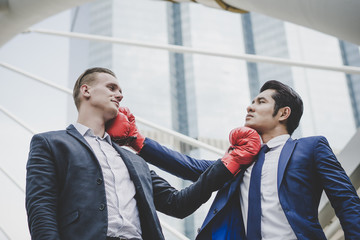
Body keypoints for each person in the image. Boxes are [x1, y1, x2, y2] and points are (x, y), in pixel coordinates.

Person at [25, 67, 262, 240]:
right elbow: (41, 209)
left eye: (120, 91)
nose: (119, 95)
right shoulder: (50, 143)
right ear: (85, 90)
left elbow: (177, 203)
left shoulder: (132, 159)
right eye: (111, 88)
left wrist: (229, 164)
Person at [108, 80, 360, 240]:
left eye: (260, 102)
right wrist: (137, 141)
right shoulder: (239, 161)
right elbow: (190, 166)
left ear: (284, 113)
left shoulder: (311, 147)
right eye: (251, 102)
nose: (249, 107)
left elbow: (346, 201)